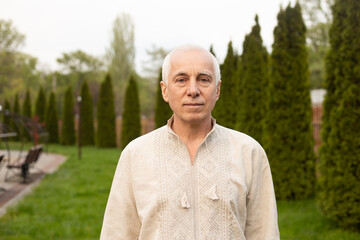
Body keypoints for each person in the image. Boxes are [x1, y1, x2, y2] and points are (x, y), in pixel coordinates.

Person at [100, 45, 279, 239]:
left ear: (217, 89)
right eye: (181, 79)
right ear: (165, 90)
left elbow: (264, 232)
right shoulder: (135, 155)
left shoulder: (248, 152)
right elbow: (116, 232)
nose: (193, 90)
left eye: (203, 79)